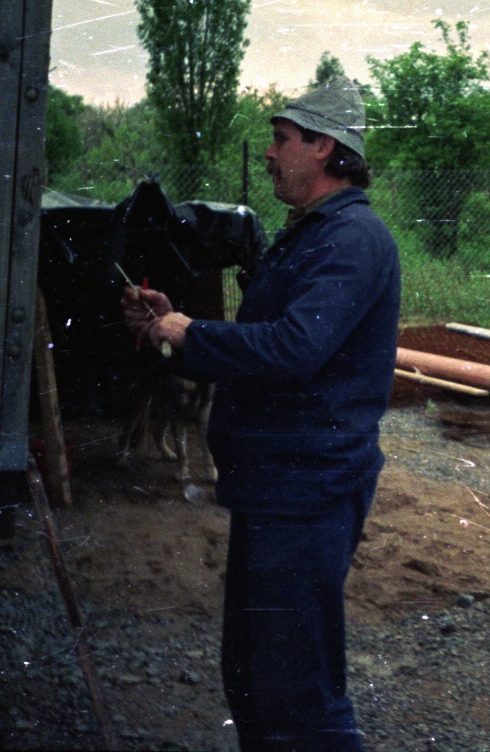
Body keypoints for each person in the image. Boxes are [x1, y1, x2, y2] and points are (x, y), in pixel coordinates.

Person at [122, 79, 400, 751]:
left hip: (308, 494)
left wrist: (192, 334)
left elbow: (295, 349)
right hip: (273, 487)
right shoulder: (307, 237)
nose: (270, 153)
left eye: (281, 139)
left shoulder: (353, 240)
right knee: (253, 676)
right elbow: (260, 351)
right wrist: (169, 333)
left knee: (298, 691)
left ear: (324, 147)